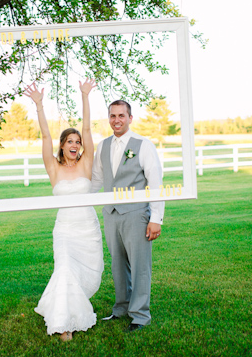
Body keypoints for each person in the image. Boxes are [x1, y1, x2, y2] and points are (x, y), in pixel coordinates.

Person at [24, 79, 104, 342]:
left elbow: (88, 129)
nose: (75, 144)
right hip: (65, 230)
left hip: (87, 229)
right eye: (69, 141)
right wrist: (38, 105)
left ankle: (69, 310)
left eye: (77, 142)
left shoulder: (86, 164)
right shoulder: (54, 169)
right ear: (62, 145)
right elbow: (45, 135)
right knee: (65, 268)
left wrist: (85, 96)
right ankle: (63, 325)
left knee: (81, 275)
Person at [90, 100, 164, 333]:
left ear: (130, 118)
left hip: (136, 214)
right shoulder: (102, 146)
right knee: (118, 264)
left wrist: (156, 218)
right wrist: (79, 204)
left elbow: (156, 183)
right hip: (111, 214)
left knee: (140, 265)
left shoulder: (143, 145)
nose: (117, 120)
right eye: (113, 116)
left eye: (121, 115)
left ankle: (140, 315)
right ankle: (121, 308)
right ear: (109, 118)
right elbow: (97, 182)